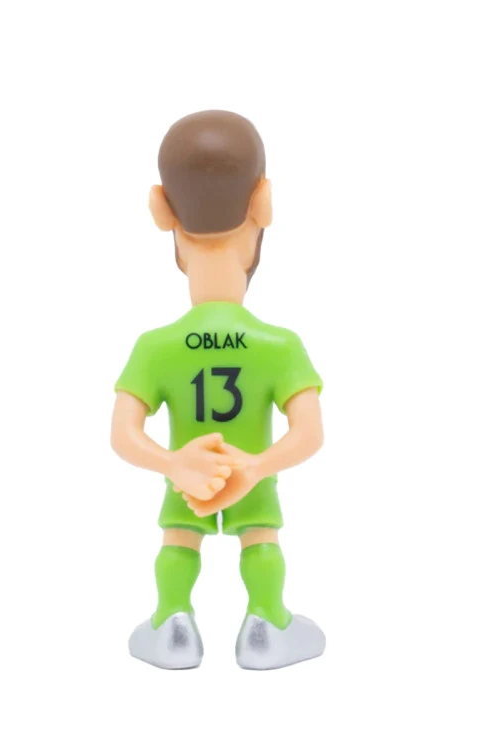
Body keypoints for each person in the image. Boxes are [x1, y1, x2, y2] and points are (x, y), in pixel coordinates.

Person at [111, 110, 326, 669]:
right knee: (262, 537)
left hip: (186, 479)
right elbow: (309, 433)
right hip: (253, 475)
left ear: (161, 211)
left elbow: (122, 435)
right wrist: (255, 466)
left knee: (178, 540)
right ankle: (267, 625)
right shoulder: (279, 345)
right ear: (264, 204)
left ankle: (172, 625)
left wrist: (174, 463)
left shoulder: (155, 347)